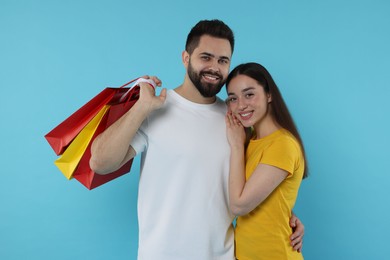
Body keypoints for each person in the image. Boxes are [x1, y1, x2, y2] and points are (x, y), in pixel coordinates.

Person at [90, 20, 304, 260]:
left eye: (223, 60)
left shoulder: (237, 121)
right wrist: (140, 109)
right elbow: (100, 162)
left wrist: (287, 215)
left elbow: (259, 180)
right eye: (206, 57)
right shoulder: (154, 108)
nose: (214, 67)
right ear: (185, 57)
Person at [225, 62, 308, 259]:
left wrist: (237, 146)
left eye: (249, 94)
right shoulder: (252, 138)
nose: (241, 105)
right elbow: (271, 197)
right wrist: (288, 213)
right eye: (232, 98)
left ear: (269, 94)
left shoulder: (282, 144)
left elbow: (239, 206)